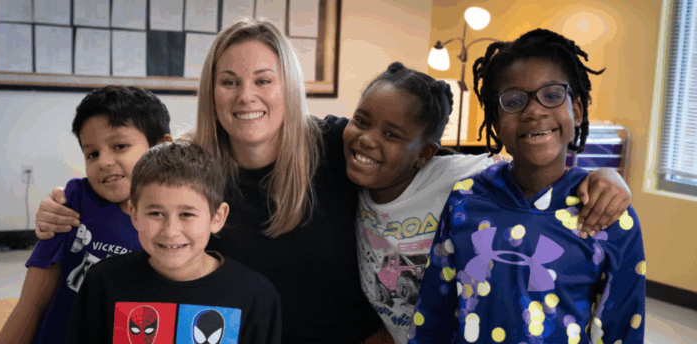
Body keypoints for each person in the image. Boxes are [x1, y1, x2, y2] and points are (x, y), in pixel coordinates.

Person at [32, 19, 632, 343]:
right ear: (210, 89)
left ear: (288, 86)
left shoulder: (340, 144)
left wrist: (597, 175)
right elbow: (124, 181)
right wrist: (66, 205)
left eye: (264, 79)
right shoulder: (192, 164)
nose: (247, 97)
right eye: (230, 81)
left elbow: (488, 164)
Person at [345, 62, 633, 343]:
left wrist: (603, 175)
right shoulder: (344, 172)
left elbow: (529, 164)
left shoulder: (454, 174)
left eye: (392, 134)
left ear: (425, 153)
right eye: (361, 121)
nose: (367, 139)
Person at [409, 29, 645, 343]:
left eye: (551, 95)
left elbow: (622, 329)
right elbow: (434, 310)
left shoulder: (609, 213)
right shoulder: (465, 200)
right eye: (514, 101)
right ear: (495, 123)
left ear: (576, 111)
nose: (534, 111)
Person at [0, 86, 173, 344]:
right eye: (92, 153)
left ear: (160, 148)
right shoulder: (74, 202)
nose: (103, 161)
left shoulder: (176, 224)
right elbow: (30, 305)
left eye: (120, 146)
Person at [66, 142, 282, 344]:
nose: (170, 231)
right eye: (156, 213)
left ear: (217, 217)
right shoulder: (102, 282)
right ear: (134, 214)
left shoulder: (255, 296)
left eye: (187, 214)